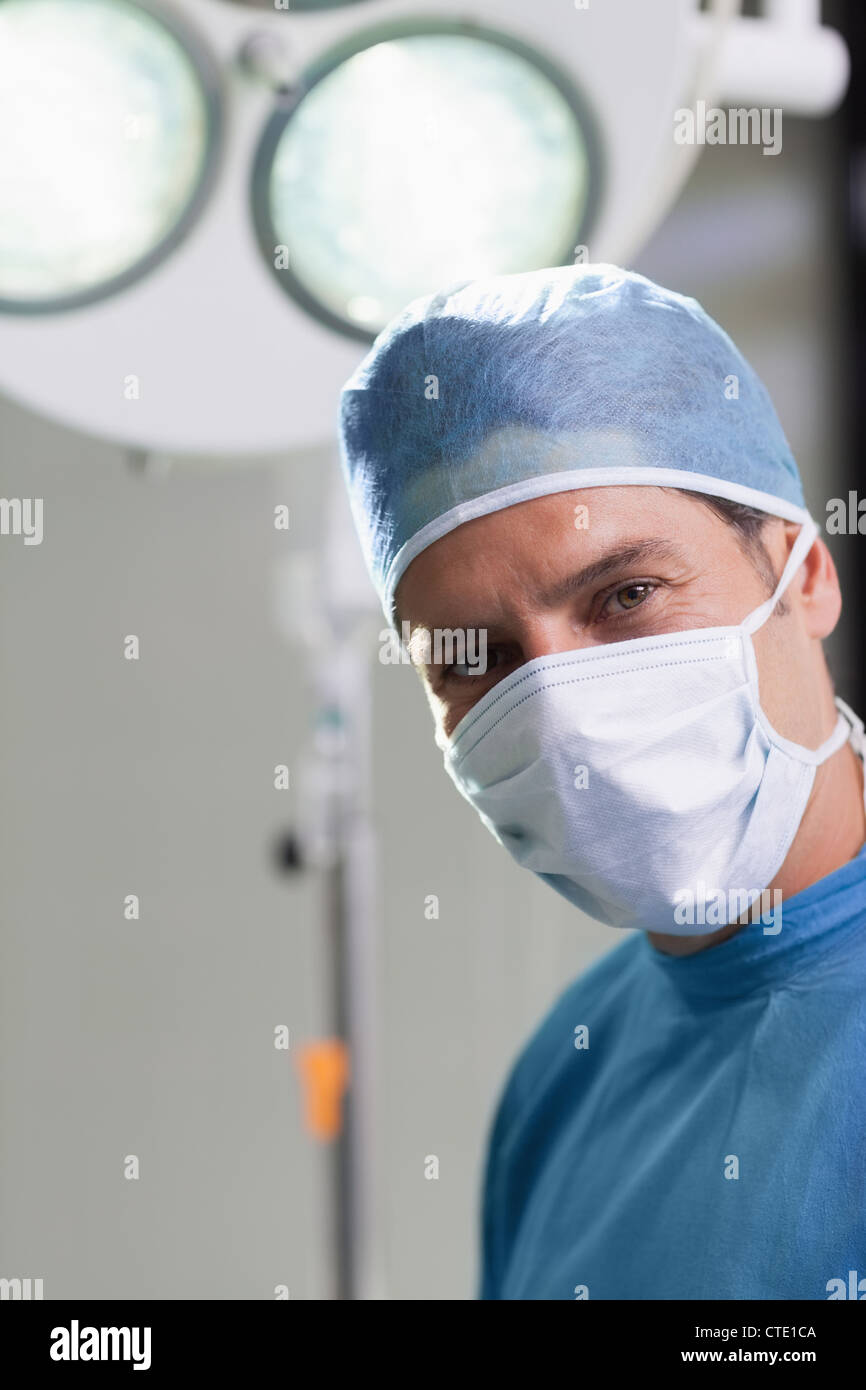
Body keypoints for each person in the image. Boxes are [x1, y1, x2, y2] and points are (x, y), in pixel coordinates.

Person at [337, 263, 866, 1300]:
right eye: (474, 658)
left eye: (624, 594)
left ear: (800, 572)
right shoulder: (563, 1077)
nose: (561, 704)